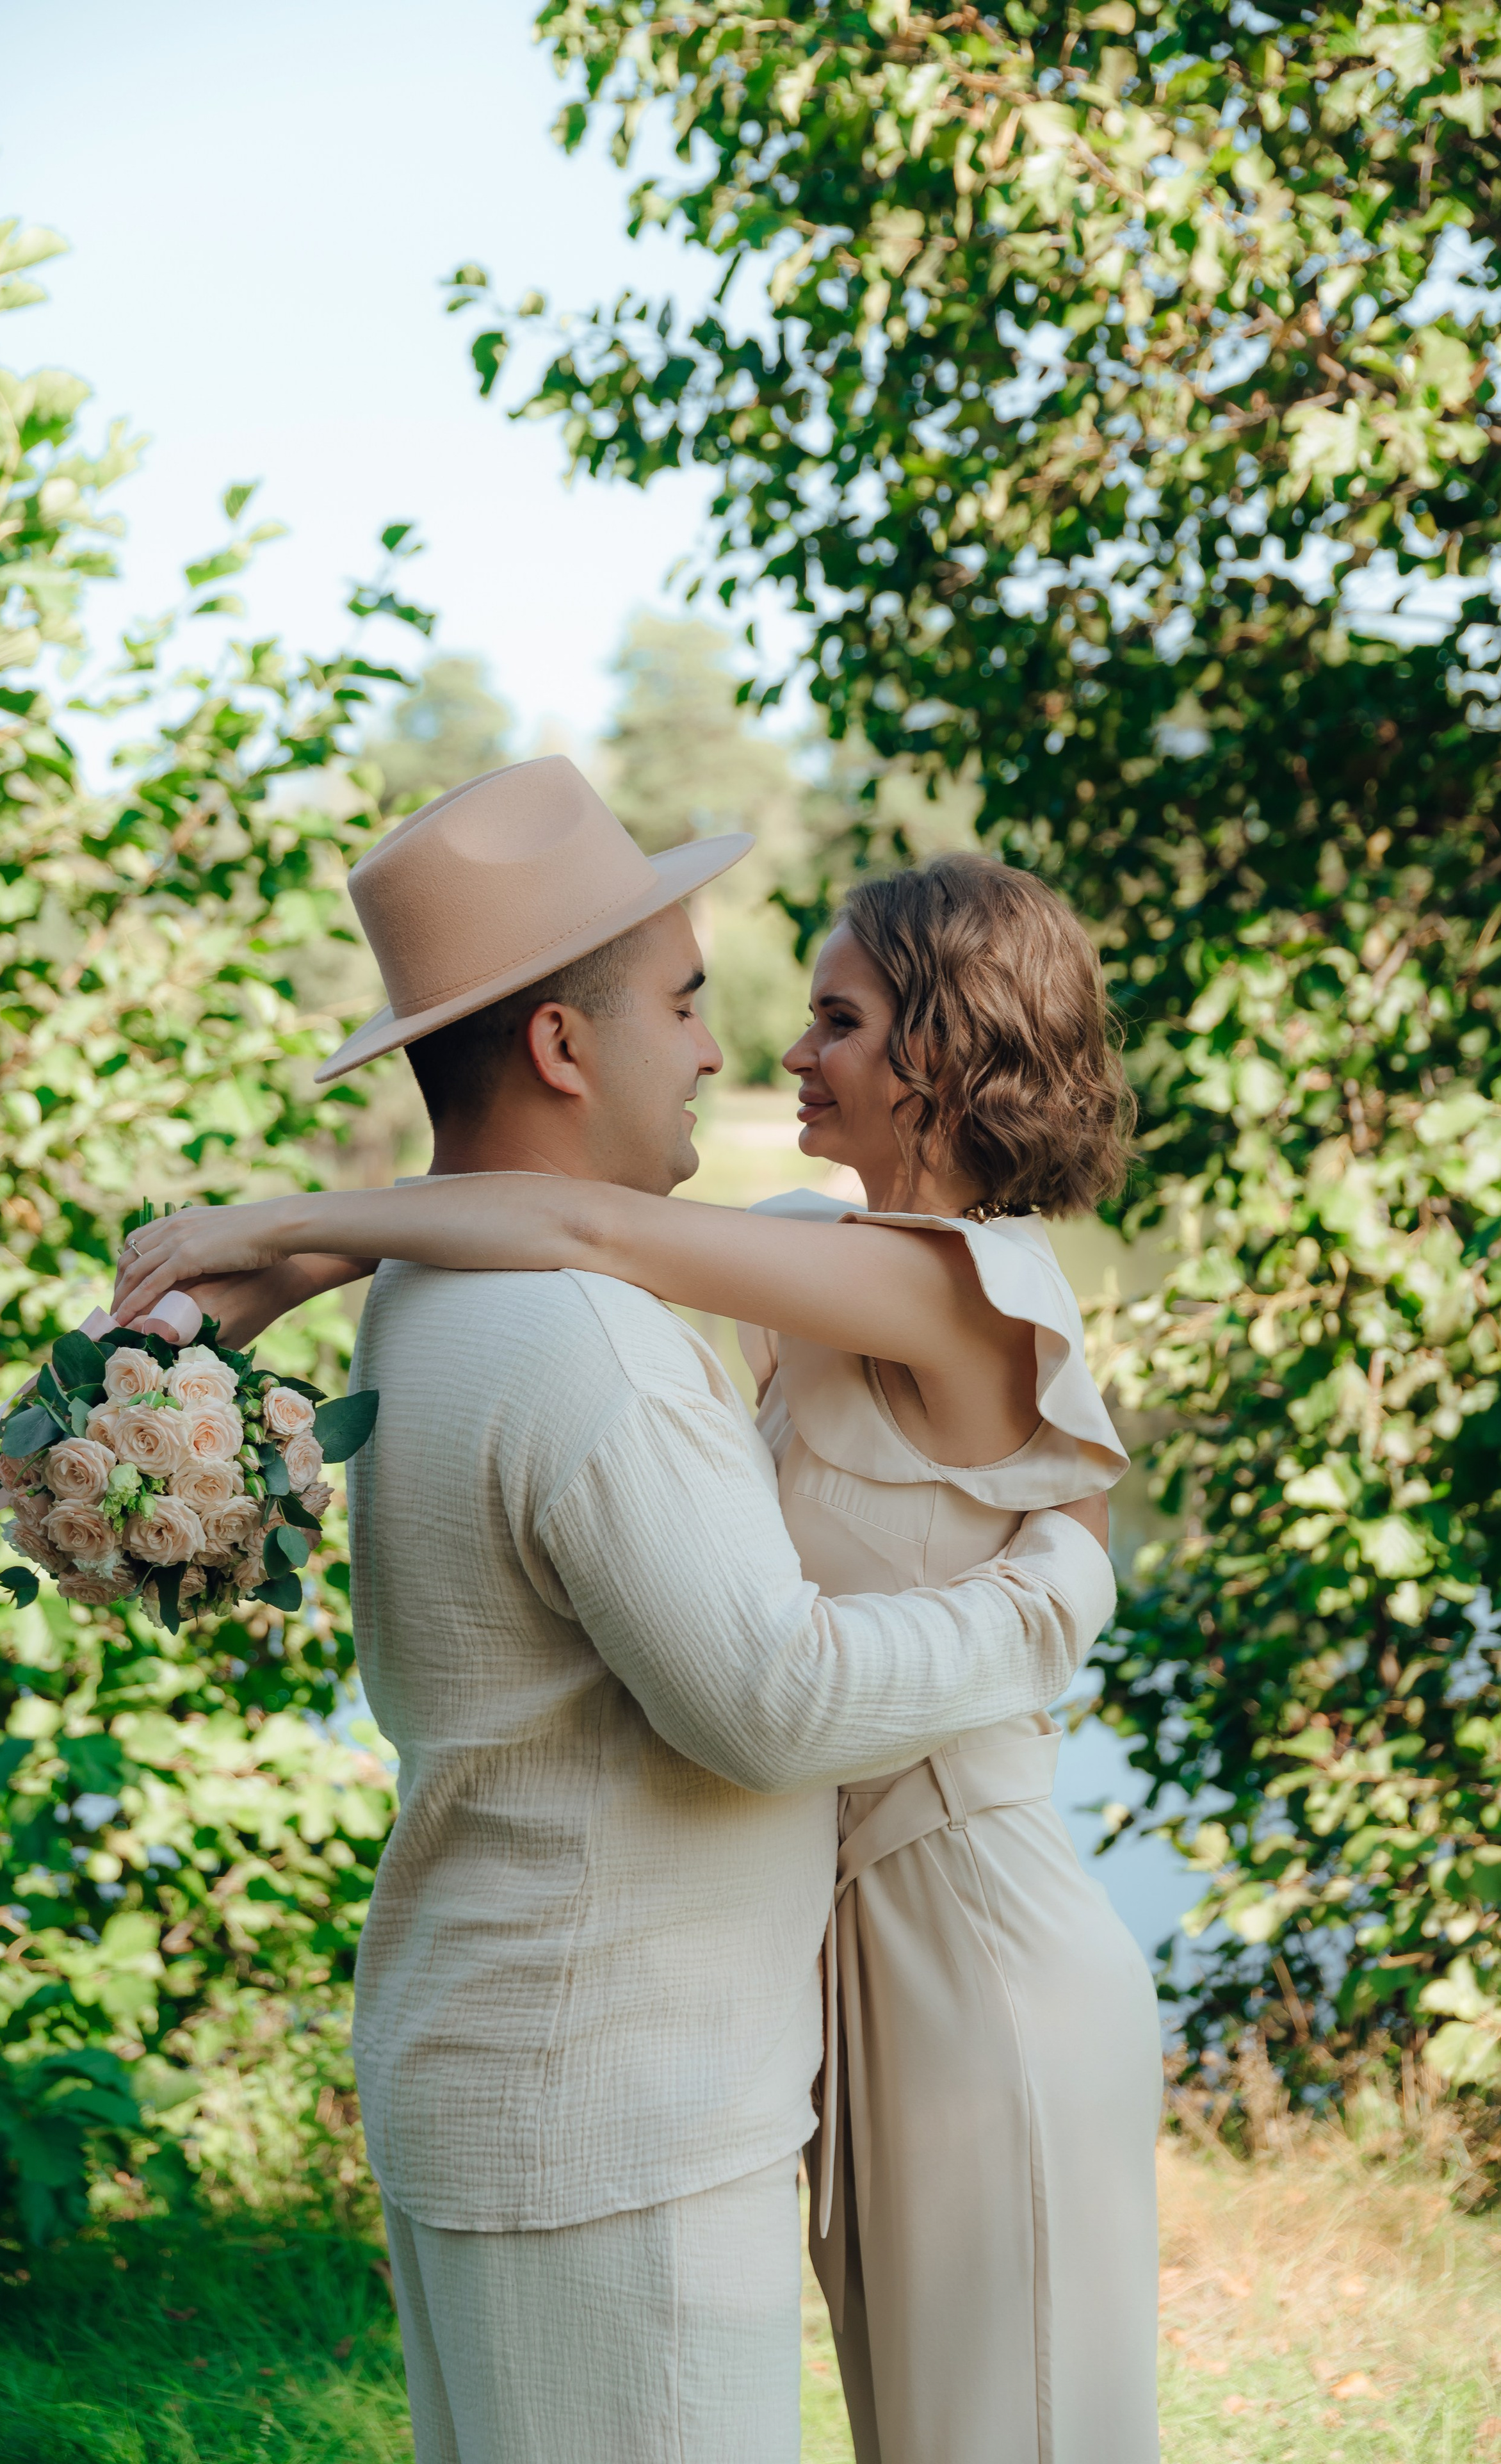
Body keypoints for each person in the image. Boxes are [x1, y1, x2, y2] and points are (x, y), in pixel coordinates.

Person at [117, 756, 1118, 2464]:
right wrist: (282, 1273)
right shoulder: (742, 1269)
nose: (759, 1051)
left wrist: (286, 1228)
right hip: (812, 1970)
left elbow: (577, 1220)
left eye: (839, 1020)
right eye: (709, 1004)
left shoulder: (953, 1284)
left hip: (963, 1929)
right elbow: (569, 1224)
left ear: (944, 1056)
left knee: (1004, 2431)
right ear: (568, 1049)